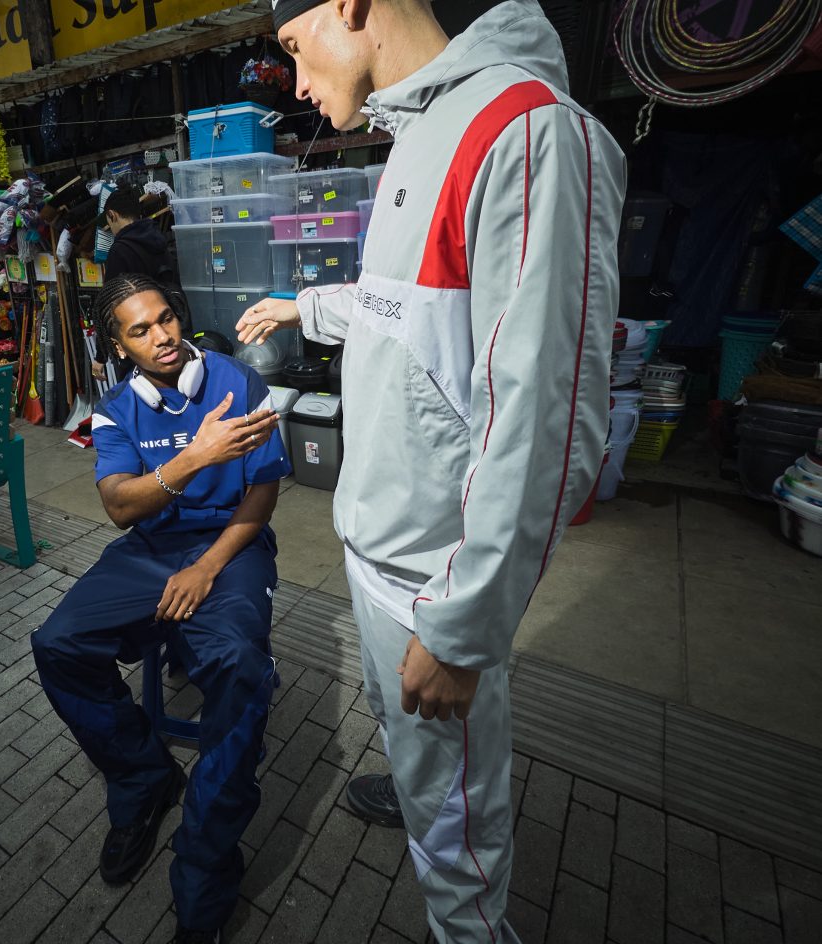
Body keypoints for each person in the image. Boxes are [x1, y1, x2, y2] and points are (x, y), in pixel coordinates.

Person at [236, 1, 625, 941]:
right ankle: (416, 786)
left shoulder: (524, 129)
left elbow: (545, 418)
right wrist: (304, 308)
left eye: (293, 48)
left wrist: (464, 628)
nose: (295, 82)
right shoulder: (416, 135)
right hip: (374, 544)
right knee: (410, 744)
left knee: (459, 844)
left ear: (350, 6)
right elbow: (401, 310)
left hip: (431, 582)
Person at [32, 274, 291, 944]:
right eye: (140, 330)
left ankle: (203, 881)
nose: (162, 337)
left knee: (240, 669)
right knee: (57, 643)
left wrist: (207, 567)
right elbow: (120, 506)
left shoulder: (239, 383)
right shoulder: (117, 407)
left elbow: (262, 494)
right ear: (120, 347)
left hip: (231, 546)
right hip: (149, 549)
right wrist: (193, 458)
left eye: (166, 319)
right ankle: (145, 779)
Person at [91, 185, 188, 381]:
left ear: (112, 215)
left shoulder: (121, 250)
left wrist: (101, 356)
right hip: (170, 332)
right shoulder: (159, 240)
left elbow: (110, 307)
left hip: (139, 343)